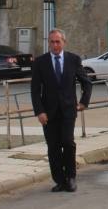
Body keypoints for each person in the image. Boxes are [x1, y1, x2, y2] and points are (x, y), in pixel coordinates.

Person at [30, 29, 94, 193]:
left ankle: (71, 177)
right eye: (52, 42)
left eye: (58, 42)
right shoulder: (40, 62)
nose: (55, 45)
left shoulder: (73, 59)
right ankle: (59, 180)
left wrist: (83, 103)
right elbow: (35, 90)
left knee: (67, 142)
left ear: (64, 42)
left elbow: (86, 82)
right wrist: (39, 111)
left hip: (68, 111)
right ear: (49, 43)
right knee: (53, 146)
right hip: (48, 113)